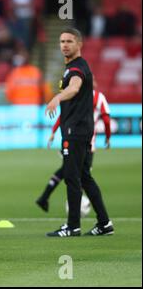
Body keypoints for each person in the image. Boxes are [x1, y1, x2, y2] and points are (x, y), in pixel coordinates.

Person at [45, 28, 113, 237]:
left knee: (73, 178)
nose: (64, 45)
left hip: (75, 131)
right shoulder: (73, 67)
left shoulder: (77, 68)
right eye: (62, 41)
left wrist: (57, 98)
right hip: (80, 130)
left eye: (69, 41)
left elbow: (74, 88)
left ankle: (72, 225)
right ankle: (104, 223)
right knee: (84, 178)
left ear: (79, 44)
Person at [37, 78, 112, 212]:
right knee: (82, 176)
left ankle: (45, 198)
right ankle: (79, 213)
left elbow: (63, 116)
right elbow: (106, 119)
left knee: (68, 171)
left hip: (71, 139)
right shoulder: (98, 97)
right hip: (86, 143)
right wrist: (108, 137)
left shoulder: (76, 96)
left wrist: (54, 132)